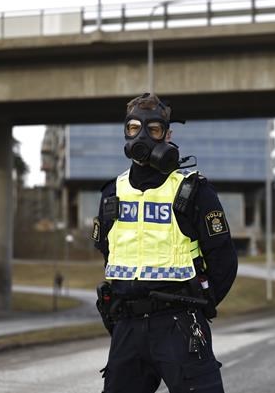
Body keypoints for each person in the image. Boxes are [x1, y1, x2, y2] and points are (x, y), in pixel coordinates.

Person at [92, 93, 238, 393]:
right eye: (134, 128)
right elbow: (109, 254)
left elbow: (224, 261)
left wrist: (200, 304)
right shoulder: (112, 194)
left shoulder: (194, 192)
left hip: (179, 323)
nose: (142, 137)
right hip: (127, 327)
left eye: (153, 129)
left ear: (167, 135)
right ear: (126, 131)